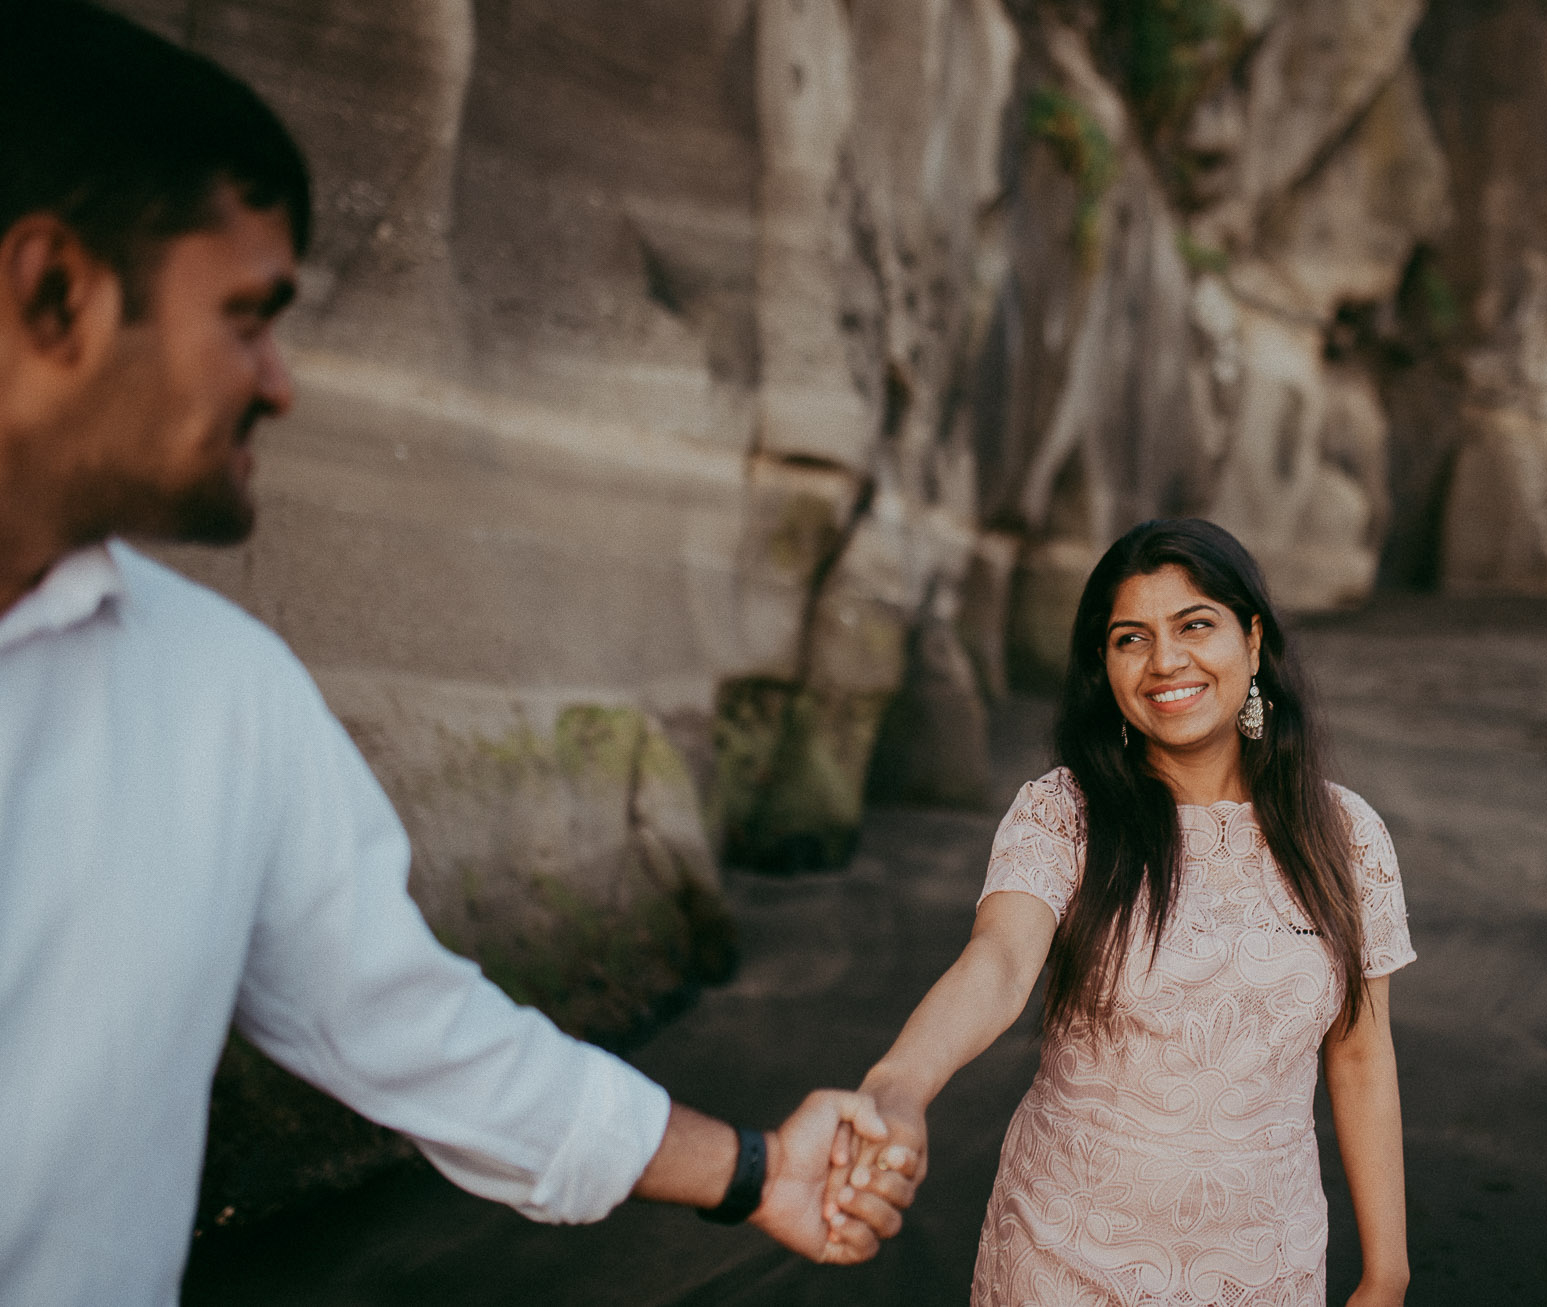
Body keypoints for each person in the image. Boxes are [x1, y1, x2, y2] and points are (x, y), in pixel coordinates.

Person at [0, 4, 915, 1302]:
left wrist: (758, 1168)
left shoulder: (222, 691)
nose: (283, 381)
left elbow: (415, 1030)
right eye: (248, 316)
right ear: (54, 293)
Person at [834, 518, 1416, 1306]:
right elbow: (998, 962)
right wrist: (899, 1082)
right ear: (1103, 666)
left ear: (1251, 638)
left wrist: (1387, 1267)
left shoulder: (1344, 834)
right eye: (1130, 638)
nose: (1165, 661)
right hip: (1065, 1257)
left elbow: (1359, 1049)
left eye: (1194, 624)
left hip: (1268, 1266)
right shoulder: (1064, 813)